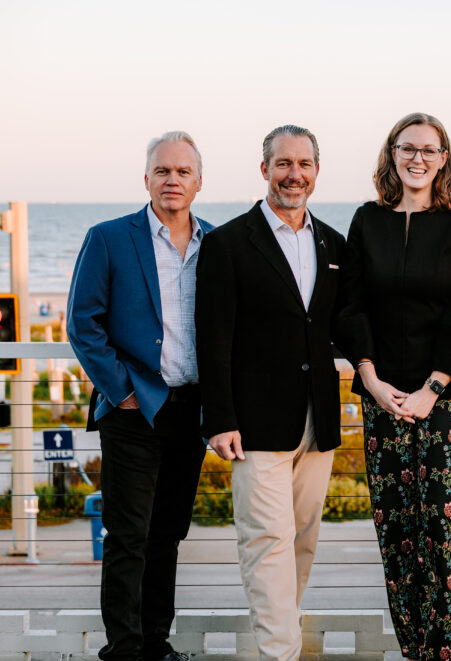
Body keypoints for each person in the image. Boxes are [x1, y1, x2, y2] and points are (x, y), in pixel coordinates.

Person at [338, 112, 451, 661]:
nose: (417, 159)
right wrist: (372, 380)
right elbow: (350, 307)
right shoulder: (366, 220)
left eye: (429, 150)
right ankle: (412, 652)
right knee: (397, 528)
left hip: (445, 399)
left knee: (447, 529)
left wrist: (432, 387)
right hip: (380, 397)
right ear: (392, 154)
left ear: (444, 158)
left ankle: (446, 652)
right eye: (408, 149)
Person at [195, 125, 349, 661]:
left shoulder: (333, 242)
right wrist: (218, 417)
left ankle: (280, 632)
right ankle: (279, 653)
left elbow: (342, 325)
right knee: (266, 541)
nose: (294, 175)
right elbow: (211, 337)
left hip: (319, 419)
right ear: (264, 170)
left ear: (316, 170)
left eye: (304, 164)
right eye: (283, 163)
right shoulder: (228, 243)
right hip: (254, 423)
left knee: (302, 540)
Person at [67, 131, 211, 661]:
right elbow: (83, 323)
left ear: (199, 181)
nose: (172, 180)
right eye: (162, 171)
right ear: (146, 178)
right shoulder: (108, 237)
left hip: (190, 409)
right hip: (132, 409)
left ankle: (156, 641)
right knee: (127, 536)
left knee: (168, 533)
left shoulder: (214, 243)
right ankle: (123, 649)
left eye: (182, 172)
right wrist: (121, 391)